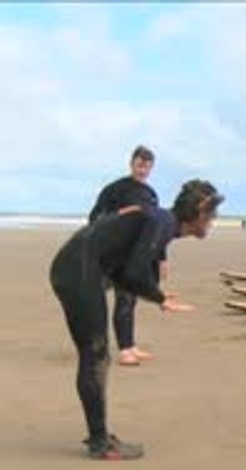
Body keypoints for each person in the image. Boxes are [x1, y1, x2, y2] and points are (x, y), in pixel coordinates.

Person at [50, 180, 223, 460]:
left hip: (78, 266)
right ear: (200, 212)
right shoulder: (162, 222)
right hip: (78, 268)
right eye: (213, 216)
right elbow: (132, 275)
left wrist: (158, 297)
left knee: (98, 355)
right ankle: (99, 442)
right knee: (95, 354)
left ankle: (100, 437)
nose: (213, 222)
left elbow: (123, 274)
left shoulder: (160, 222)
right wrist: (159, 297)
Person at [88, 145, 159, 367]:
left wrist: (160, 258)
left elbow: (153, 226)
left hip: (134, 256)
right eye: (139, 165)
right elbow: (94, 218)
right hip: (110, 255)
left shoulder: (150, 195)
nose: (142, 170)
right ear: (131, 163)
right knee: (93, 300)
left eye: (147, 167)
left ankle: (128, 348)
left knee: (127, 300)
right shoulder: (115, 190)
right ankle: (95, 347)